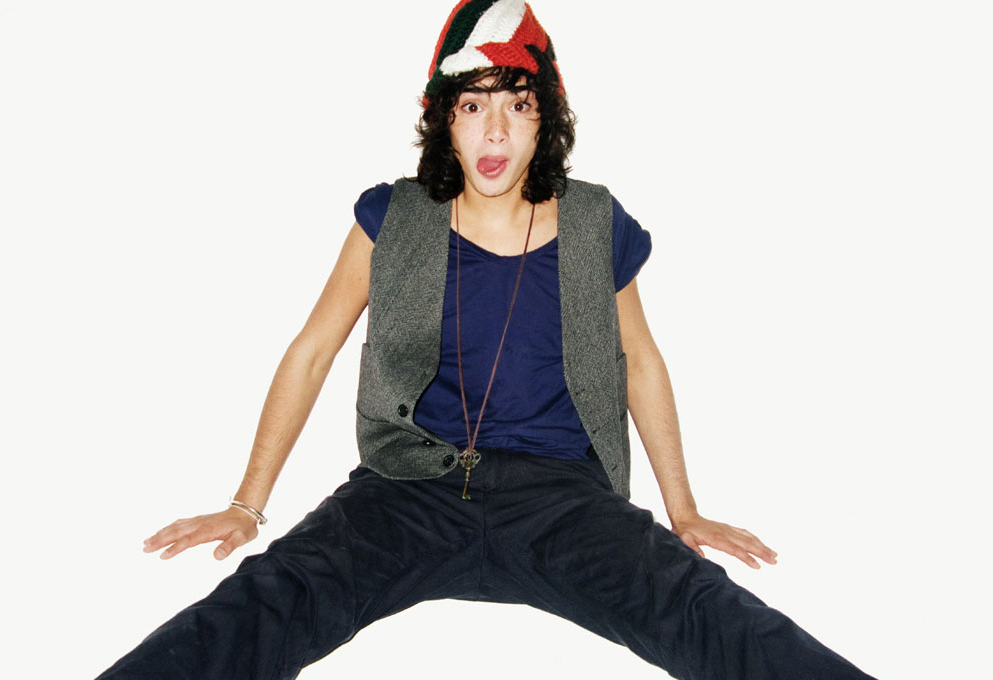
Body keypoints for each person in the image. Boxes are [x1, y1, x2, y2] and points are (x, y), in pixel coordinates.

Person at [97, 1, 877, 678]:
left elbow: (638, 361)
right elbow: (312, 352)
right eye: (473, 105)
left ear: (547, 118)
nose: (495, 129)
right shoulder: (391, 218)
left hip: (561, 495)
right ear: (446, 119)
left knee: (705, 610)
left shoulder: (594, 222)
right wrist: (246, 504)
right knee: (265, 601)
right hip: (407, 486)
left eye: (517, 102)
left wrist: (686, 510)